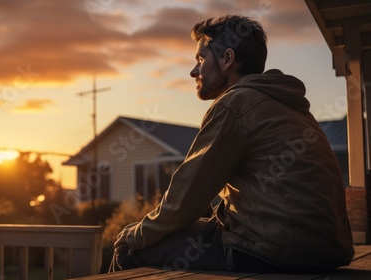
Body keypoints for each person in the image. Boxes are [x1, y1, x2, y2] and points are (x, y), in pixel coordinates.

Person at [111, 15, 354, 273]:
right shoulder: (288, 107)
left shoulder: (234, 105)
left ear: (227, 59)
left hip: (274, 249)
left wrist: (139, 233)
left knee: (129, 249)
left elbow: (187, 194)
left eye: (201, 60)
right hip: (326, 249)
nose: (194, 71)